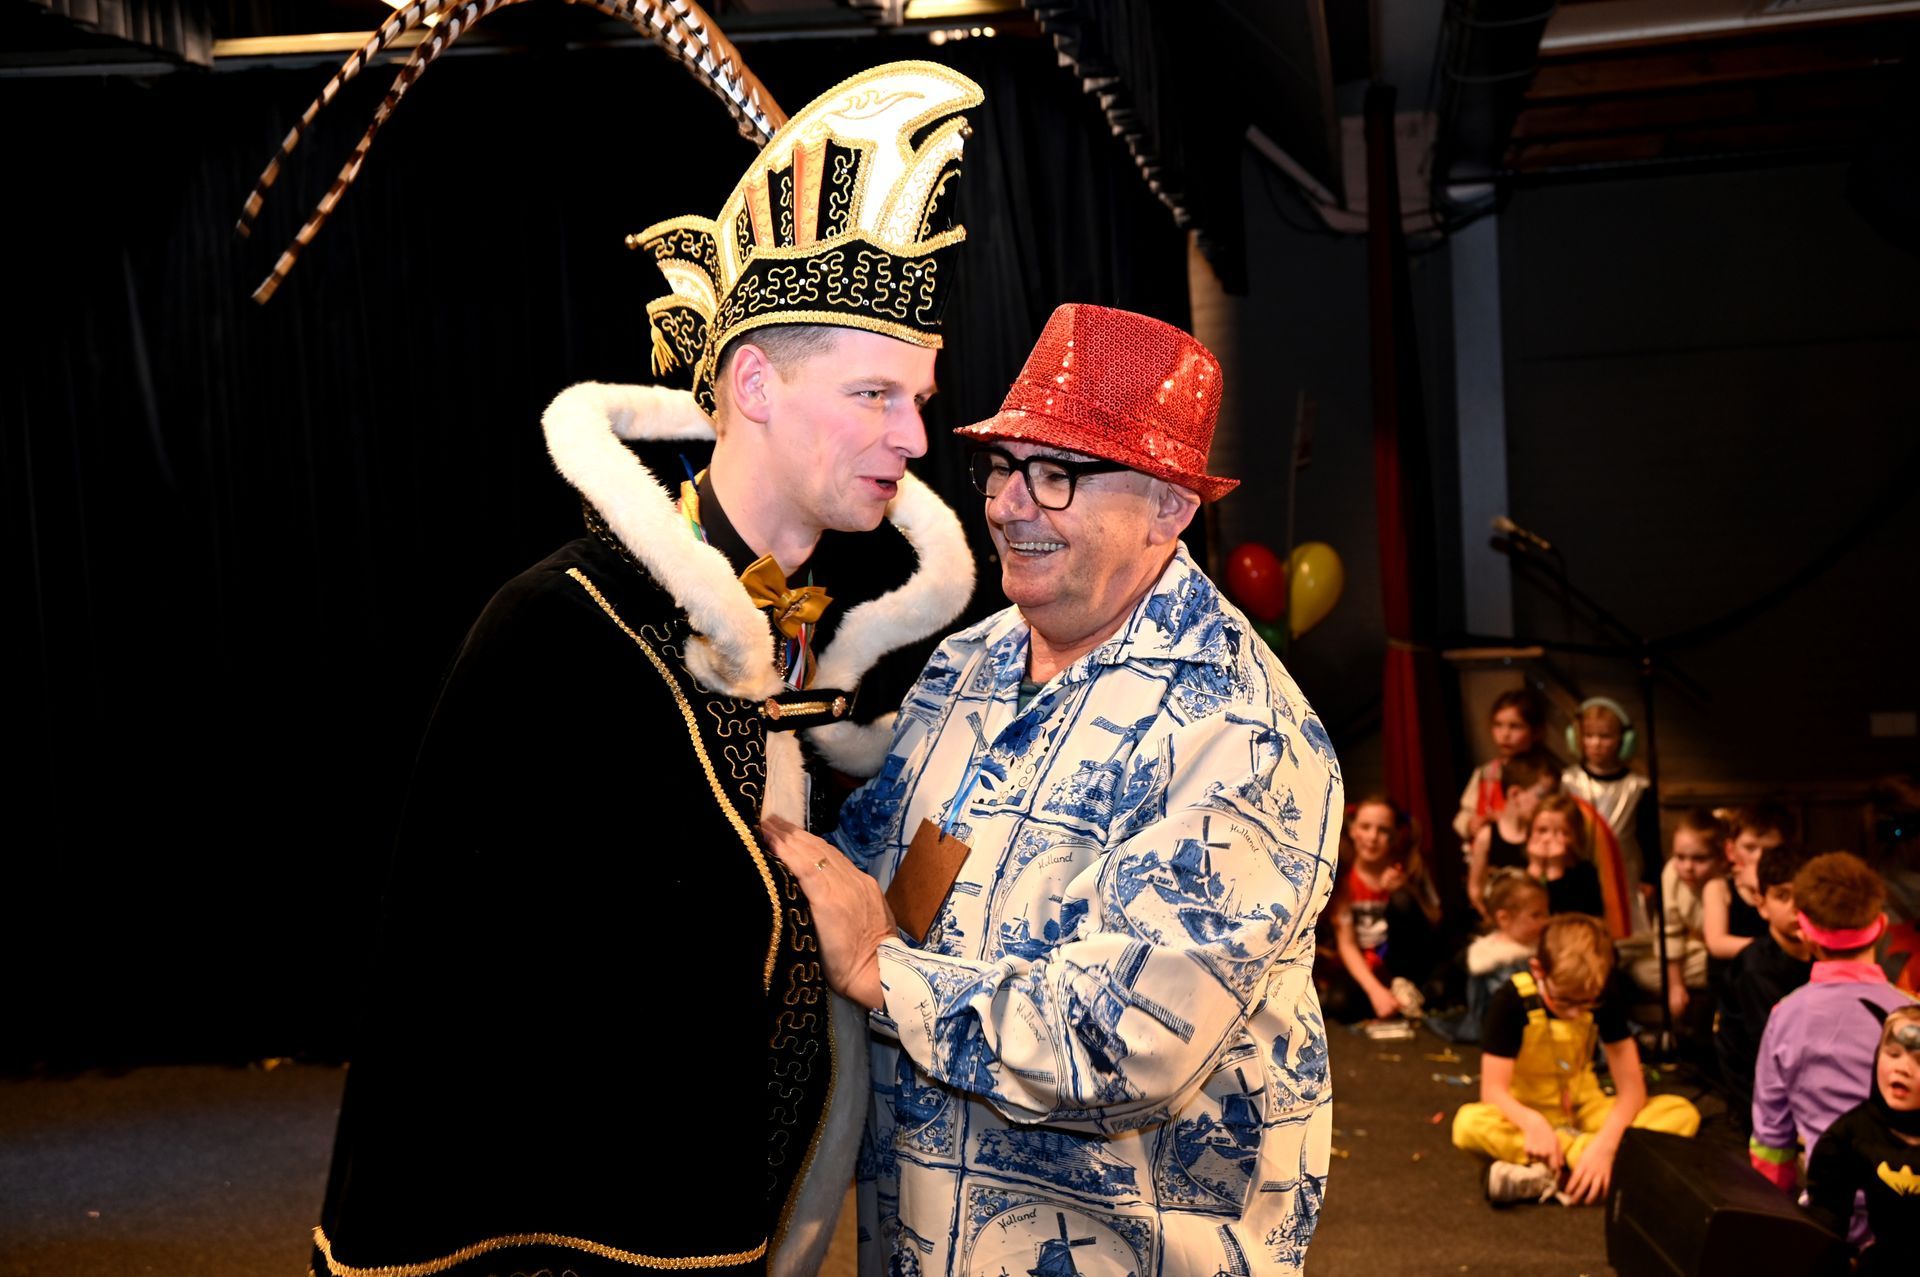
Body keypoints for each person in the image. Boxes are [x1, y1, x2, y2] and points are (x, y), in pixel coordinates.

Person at [307, 63, 985, 1277]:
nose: (914, 436)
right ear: (754, 384)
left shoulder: (800, 642)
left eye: (918, 397)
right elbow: (476, 1015)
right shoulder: (559, 630)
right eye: (875, 393)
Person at [763, 305, 1343, 1275]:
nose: (1008, 504)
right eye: (1002, 466)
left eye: (1058, 474)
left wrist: (880, 967)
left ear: (1169, 507)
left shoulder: (1238, 731)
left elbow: (1126, 1043)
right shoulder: (968, 666)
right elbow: (873, 884)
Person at [1452, 914, 1701, 1206]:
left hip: (1586, 1110)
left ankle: (1557, 1173)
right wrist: (1534, 1124)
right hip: (1530, 1114)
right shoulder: (1510, 1000)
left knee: (1681, 1112)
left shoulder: (1604, 995)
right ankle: (1589, 1166)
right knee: (1468, 1124)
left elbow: (1632, 1090)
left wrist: (1605, 1146)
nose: (1574, 1012)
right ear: (1538, 969)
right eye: (1565, 1001)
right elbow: (1493, 1091)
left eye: (1586, 1003)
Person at [1751, 851, 1910, 1246]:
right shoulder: (1911, 1015)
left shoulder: (1785, 1017)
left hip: (1829, 1220)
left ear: (1804, 933)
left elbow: (1771, 1141)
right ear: (1881, 926)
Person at [1805, 1004, 1920, 1272]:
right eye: (1893, 1054)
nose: (1902, 1068)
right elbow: (1826, 1223)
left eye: (1919, 1060)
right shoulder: (1850, 1135)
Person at [1713, 841, 1813, 1127]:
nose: (1795, 908)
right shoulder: (1755, 968)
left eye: (1804, 896)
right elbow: (1775, 1050)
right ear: (1761, 903)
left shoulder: (1821, 952)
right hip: (1760, 1095)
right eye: (1783, 896)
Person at [1324, 796, 1445, 1022]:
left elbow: (1436, 920)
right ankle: (1389, 1003)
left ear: (1395, 835)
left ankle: (1409, 993)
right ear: (1352, 830)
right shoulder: (1342, 879)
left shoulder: (1409, 867)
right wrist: (1375, 992)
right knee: (1338, 1003)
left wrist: (1406, 890)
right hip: (1365, 964)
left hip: (1406, 963)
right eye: (1365, 827)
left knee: (1402, 901)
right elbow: (1346, 944)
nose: (1372, 837)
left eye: (1383, 830)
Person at [1561, 697, 1657, 936]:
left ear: (1624, 741)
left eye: (1605, 736)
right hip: (1580, 868)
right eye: (1588, 735)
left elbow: (1648, 835)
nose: (1596, 743)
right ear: (1576, 738)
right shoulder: (1569, 781)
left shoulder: (1637, 785)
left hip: (1626, 872)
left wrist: (1650, 877)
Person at [1626, 808, 1724, 1024]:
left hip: (1715, 953)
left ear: (1720, 857)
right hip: (1687, 952)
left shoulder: (1723, 881)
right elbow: (1669, 931)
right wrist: (1675, 985)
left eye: (1700, 859)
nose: (1687, 867)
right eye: (1680, 857)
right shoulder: (1671, 872)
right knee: (1639, 969)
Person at [1432, 869, 1551, 1045]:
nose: (1545, 921)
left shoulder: (1540, 948)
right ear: (1504, 918)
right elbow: (1500, 1015)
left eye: (1546, 913)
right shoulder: (1494, 964)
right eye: (1536, 915)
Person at [1703, 804, 1796, 987]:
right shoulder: (1719, 887)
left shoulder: (1789, 888)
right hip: (1734, 982)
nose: (1759, 857)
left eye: (1769, 850)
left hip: (1778, 977)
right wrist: (1775, 948)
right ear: (1731, 850)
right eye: (1750, 848)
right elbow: (1717, 943)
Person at [1466, 750, 1558, 922]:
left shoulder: (1540, 836)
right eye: (1542, 796)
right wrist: (1492, 919)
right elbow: (1475, 888)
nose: (1547, 804)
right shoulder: (1487, 836)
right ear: (1515, 794)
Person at [1454, 688, 1549, 846]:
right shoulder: (1486, 772)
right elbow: (1465, 813)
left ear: (1536, 731)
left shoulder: (1545, 776)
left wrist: (1508, 817)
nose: (1505, 734)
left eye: (1515, 726)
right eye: (1498, 725)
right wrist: (1470, 824)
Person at [1527, 794, 1604, 918]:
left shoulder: (1586, 874)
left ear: (1576, 837)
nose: (1549, 838)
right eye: (1542, 830)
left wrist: (1555, 869)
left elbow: (1578, 918)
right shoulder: (1518, 867)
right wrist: (1535, 867)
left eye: (1562, 832)